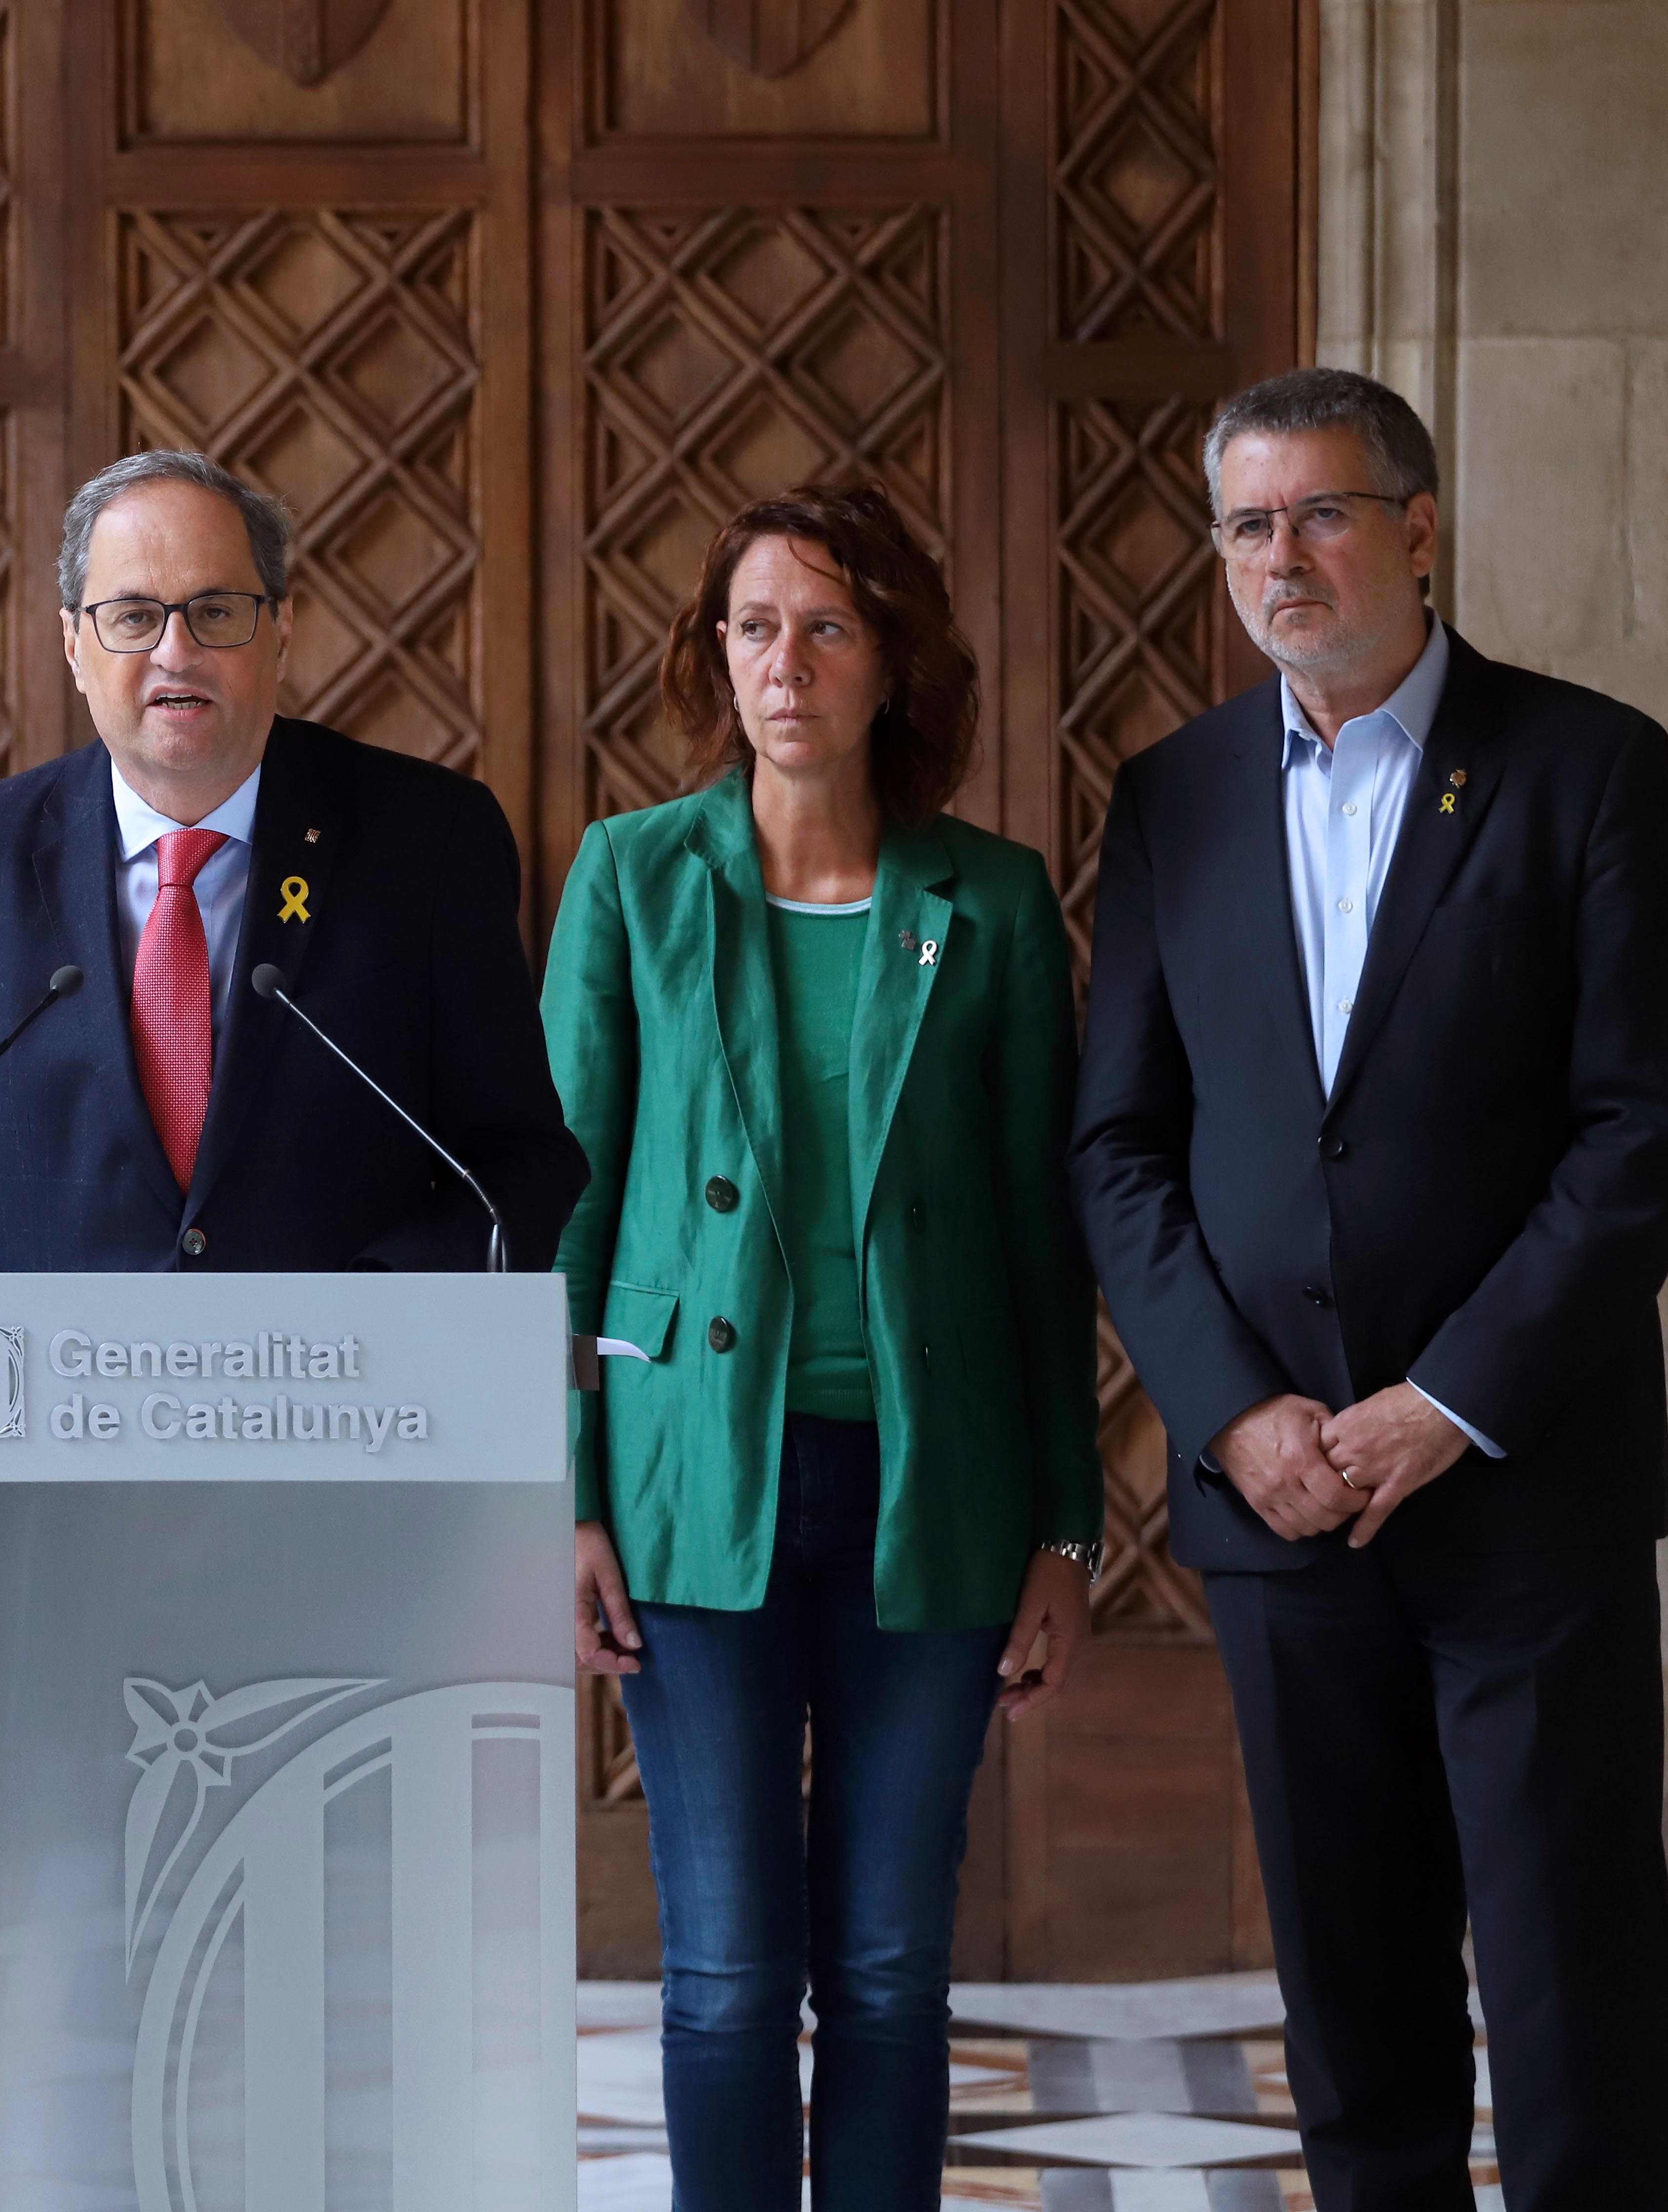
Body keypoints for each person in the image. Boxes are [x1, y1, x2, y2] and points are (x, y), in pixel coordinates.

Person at [1072, 366, 1668, 2210]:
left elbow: (1644, 1131)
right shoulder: (1175, 797)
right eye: (1250, 526)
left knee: (1575, 1999)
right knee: (1353, 2013)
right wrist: (1235, 1413)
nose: (1286, 558)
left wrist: (1446, 1402)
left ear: (1419, 531)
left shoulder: (1587, 763)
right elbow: (1120, 1149)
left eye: (1324, 513)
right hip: (1284, 1507)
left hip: (1526, 1495)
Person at [548, 482, 1103, 2209]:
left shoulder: (990, 903)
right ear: (716, 657)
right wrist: (561, 1501)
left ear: (895, 667)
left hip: (928, 1495)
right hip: (691, 1490)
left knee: (882, 1965)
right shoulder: (636, 878)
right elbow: (563, 1215)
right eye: (755, 625)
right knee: (723, 1970)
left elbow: (1041, 1231)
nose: (785, 663)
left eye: (829, 627)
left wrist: (1068, 1527)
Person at [0, 447, 585, 1270]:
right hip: (48, 1389)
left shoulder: (429, 839)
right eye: (133, 617)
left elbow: (516, 1164)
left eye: (217, 612)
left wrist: (374, 1327)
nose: (176, 651)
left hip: (342, 1389)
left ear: (282, 629)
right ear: (72, 645)